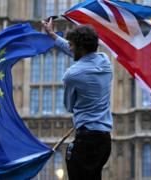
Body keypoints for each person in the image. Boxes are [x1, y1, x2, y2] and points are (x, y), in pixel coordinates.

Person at [42, 18, 113, 180]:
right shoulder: (105, 61)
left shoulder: (72, 75)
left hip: (86, 141)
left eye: (71, 44)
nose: (70, 47)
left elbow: (69, 106)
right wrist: (53, 35)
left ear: (80, 48)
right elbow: (81, 55)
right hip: (104, 141)